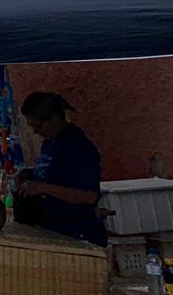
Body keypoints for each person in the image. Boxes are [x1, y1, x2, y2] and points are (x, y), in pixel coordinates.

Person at [15, 91, 106, 244]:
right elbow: (52, 173)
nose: (35, 131)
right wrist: (28, 175)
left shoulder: (79, 147)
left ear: (53, 118)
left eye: (37, 125)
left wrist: (42, 187)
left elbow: (89, 196)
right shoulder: (49, 143)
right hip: (52, 229)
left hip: (78, 233)